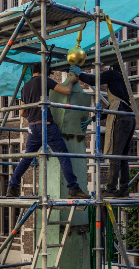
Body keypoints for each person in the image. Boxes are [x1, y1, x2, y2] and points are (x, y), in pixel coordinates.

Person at [6, 64, 88, 199]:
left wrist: (34, 117)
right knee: (63, 156)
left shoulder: (24, 87)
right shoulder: (44, 80)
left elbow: (22, 112)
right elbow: (66, 91)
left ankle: (12, 186)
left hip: (33, 127)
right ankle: (73, 188)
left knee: (27, 158)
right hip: (47, 125)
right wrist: (72, 81)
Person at [75, 66, 135, 197]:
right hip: (129, 117)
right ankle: (124, 190)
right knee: (123, 158)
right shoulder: (122, 82)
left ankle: (111, 189)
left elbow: (93, 80)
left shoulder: (113, 74)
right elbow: (109, 108)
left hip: (120, 117)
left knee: (115, 155)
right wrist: (93, 118)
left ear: (113, 68)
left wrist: (80, 74)